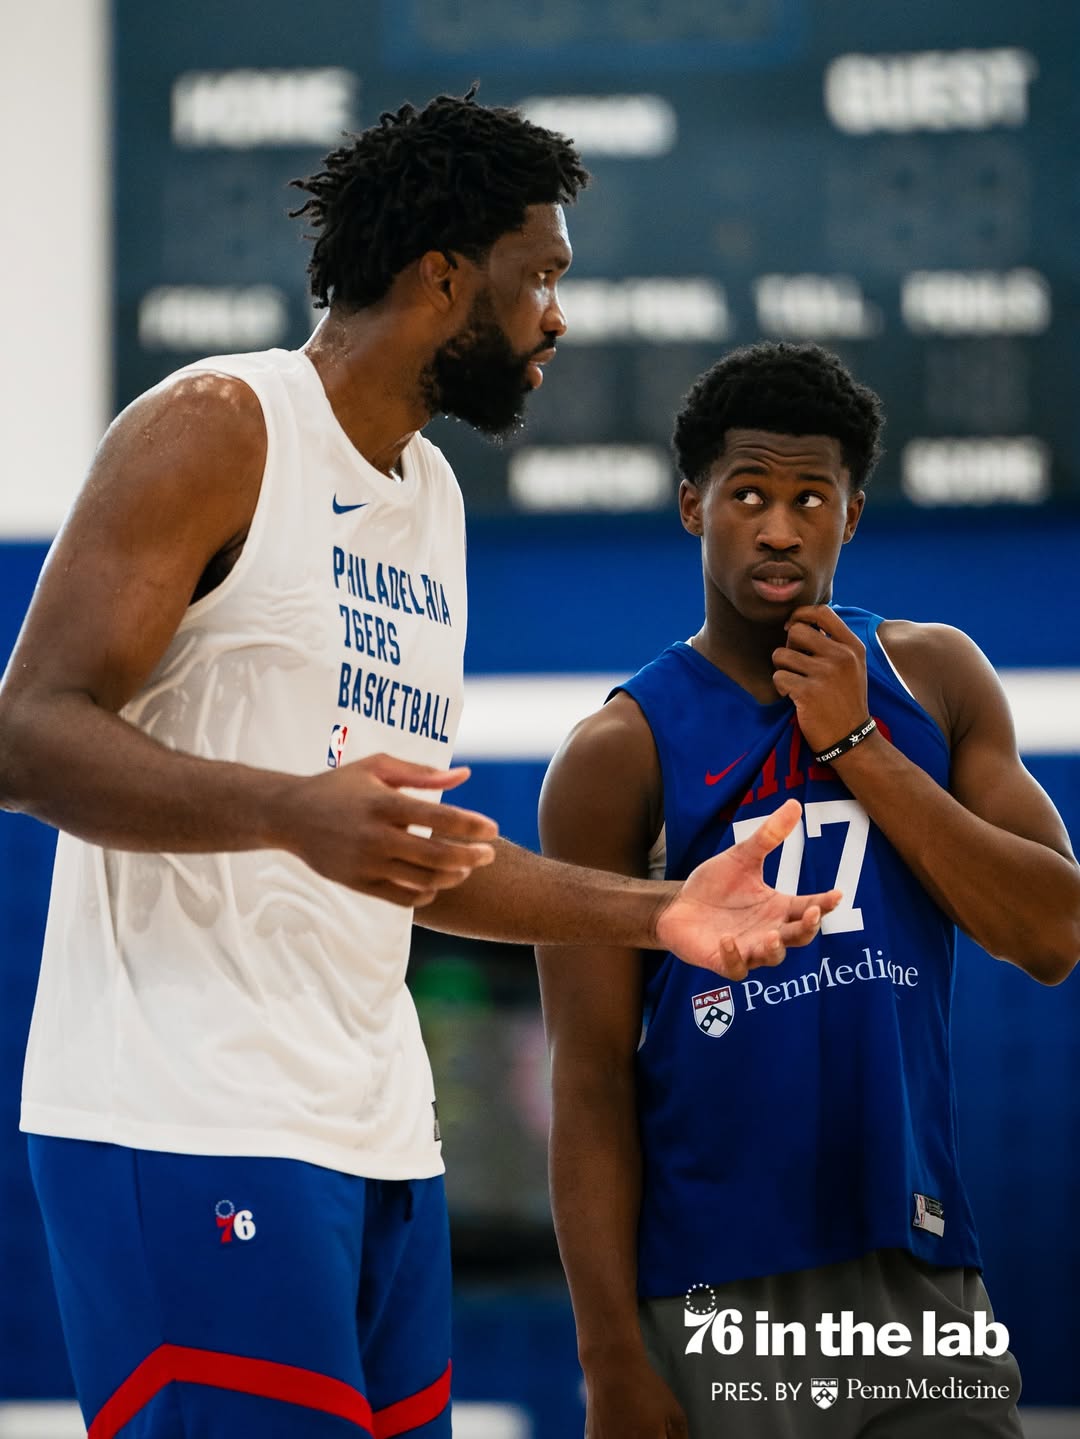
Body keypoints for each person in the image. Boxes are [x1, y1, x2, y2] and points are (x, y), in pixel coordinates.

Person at [0, 97, 838, 1439]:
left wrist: (656, 914)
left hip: (380, 1135)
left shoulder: (427, 499)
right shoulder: (220, 426)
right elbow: (25, 732)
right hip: (184, 1111)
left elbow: (403, 849)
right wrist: (287, 811)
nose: (558, 316)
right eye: (543, 276)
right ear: (447, 276)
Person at [536, 340, 1080, 1439]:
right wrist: (609, 1361)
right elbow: (588, 1076)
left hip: (920, 1273)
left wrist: (863, 744)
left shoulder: (934, 676)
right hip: (715, 1293)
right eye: (747, 493)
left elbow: (1052, 929)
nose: (778, 527)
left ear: (852, 515)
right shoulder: (618, 751)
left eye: (808, 497)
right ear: (693, 505)